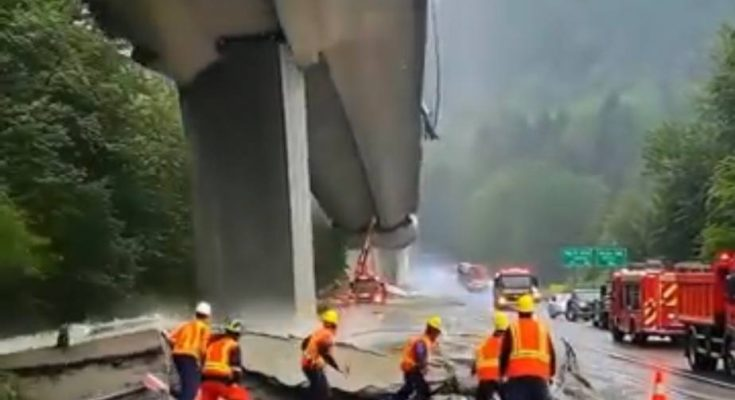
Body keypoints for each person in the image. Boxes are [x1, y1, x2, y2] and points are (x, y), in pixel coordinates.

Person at [499, 294, 556, 400]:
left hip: (517, 380)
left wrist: (501, 375)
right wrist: (551, 375)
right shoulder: (542, 328)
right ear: (532, 311)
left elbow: (504, 354)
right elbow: (552, 354)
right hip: (539, 380)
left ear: (519, 312)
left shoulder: (513, 328)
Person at [167, 301, 212, 400]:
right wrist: (203, 364)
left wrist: (178, 346)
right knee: (191, 390)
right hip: (189, 357)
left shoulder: (185, 324)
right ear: (208, 316)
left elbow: (170, 338)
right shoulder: (205, 328)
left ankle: (175, 393)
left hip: (177, 355)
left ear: (196, 313)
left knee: (187, 384)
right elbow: (203, 349)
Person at [301, 309, 347, 399]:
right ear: (332, 324)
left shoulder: (319, 331)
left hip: (307, 364)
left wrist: (308, 354)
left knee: (318, 389)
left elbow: (304, 344)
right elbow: (326, 355)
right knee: (322, 392)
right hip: (312, 366)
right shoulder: (327, 336)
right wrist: (337, 367)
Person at [394, 316, 443, 400]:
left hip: (410, 368)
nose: (438, 334)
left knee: (409, 388)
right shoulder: (422, 341)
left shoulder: (426, 340)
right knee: (422, 390)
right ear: (433, 330)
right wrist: (424, 366)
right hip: (413, 369)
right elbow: (420, 354)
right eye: (438, 332)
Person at [199, 319, 250, 400]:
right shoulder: (233, 345)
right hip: (222, 381)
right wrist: (235, 383)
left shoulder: (212, 345)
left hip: (206, 382)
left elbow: (202, 363)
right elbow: (235, 367)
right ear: (237, 334)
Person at [472, 312, 509, 400]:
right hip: (498, 376)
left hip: (484, 377)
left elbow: (476, 360)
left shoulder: (485, 342)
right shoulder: (506, 342)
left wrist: (473, 371)